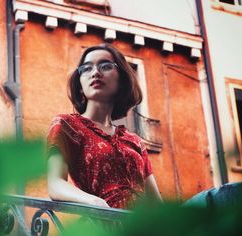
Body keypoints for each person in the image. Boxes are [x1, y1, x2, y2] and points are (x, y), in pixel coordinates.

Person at [46, 43, 162, 209]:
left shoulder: (135, 142)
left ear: (121, 80)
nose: (95, 73)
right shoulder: (67, 125)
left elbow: (156, 203)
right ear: (80, 85)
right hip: (105, 224)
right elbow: (55, 185)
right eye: (86, 68)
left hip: (143, 229)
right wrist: (94, 201)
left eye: (105, 66)